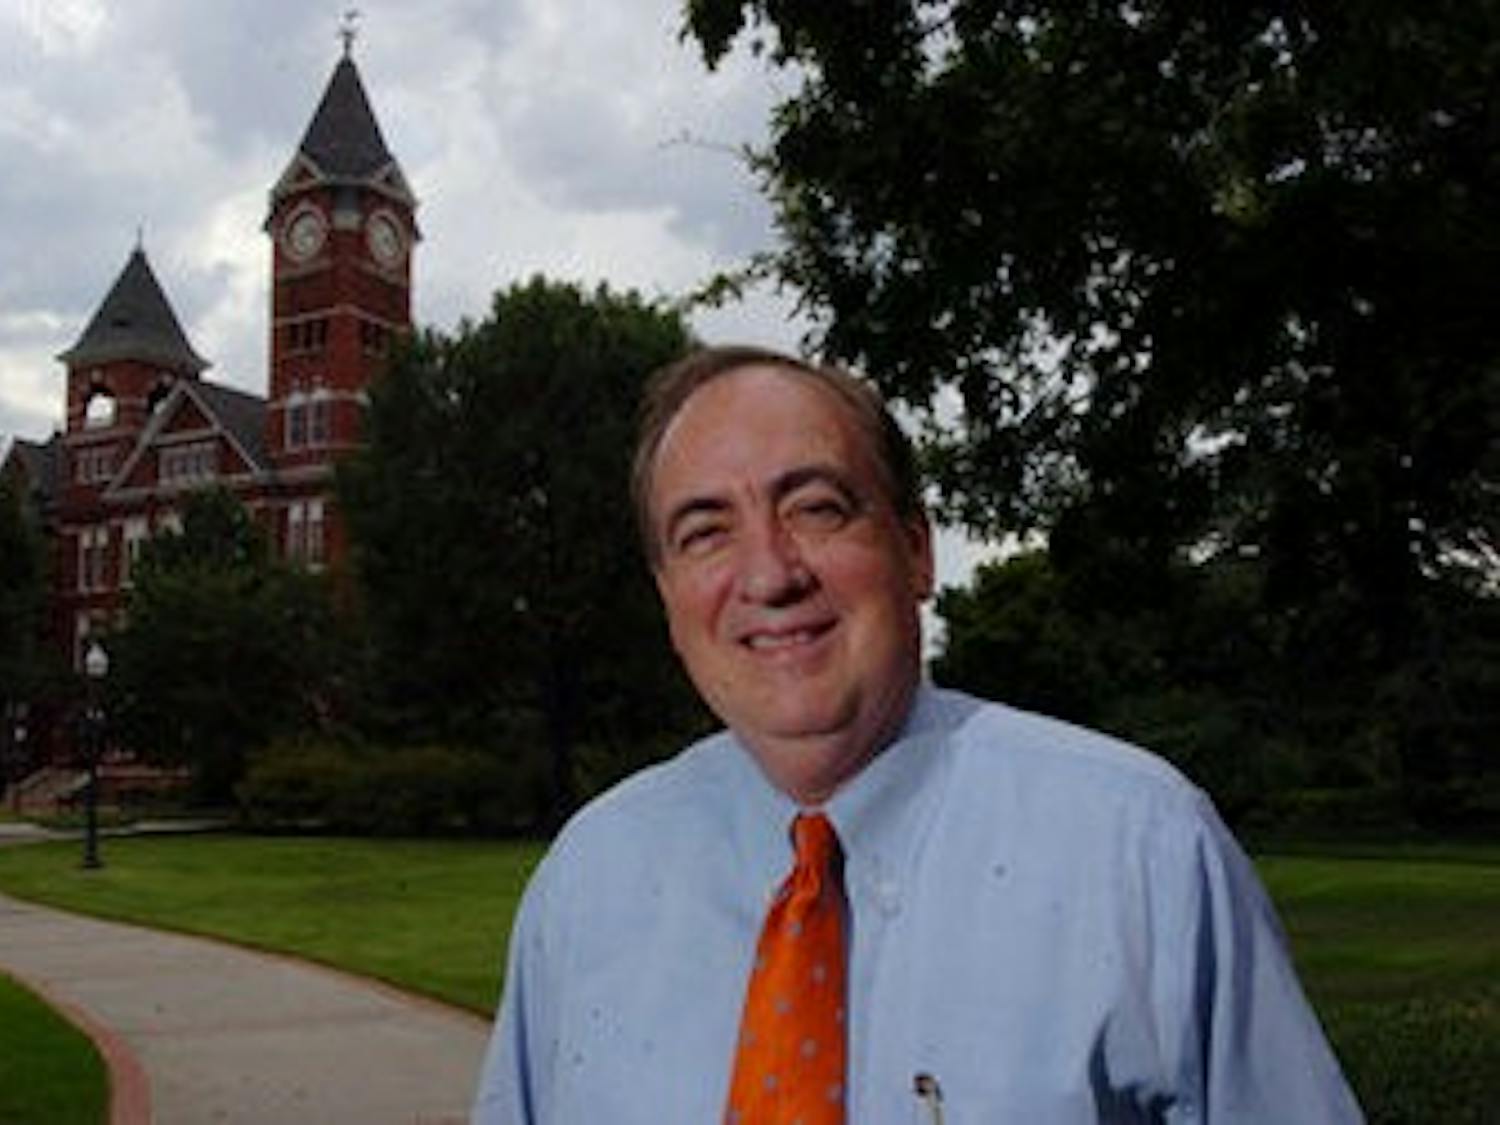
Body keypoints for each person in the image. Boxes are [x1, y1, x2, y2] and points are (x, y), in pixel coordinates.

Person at [473, 345, 1364, 1123]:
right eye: (706, 531)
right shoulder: (584, 886)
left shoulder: (1144, 854)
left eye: (817, 507)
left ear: (917, 549)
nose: (770, 573)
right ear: (668, 598)